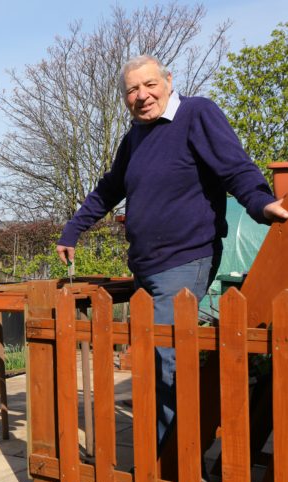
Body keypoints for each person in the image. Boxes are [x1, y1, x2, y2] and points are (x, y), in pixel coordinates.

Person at [55, 55, 288, 447]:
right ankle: (165, 454)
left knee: (165, 361)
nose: (142, 96)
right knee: (152, 358)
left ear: (168, 81)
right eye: (132, 90)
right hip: (146, 265)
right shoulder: (135, 137)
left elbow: (235, 168)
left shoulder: (197, 114)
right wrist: (72, 230)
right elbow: (110, 187)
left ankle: (171, 466)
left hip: (185, 259)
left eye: (149, 85)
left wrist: (263, 204)